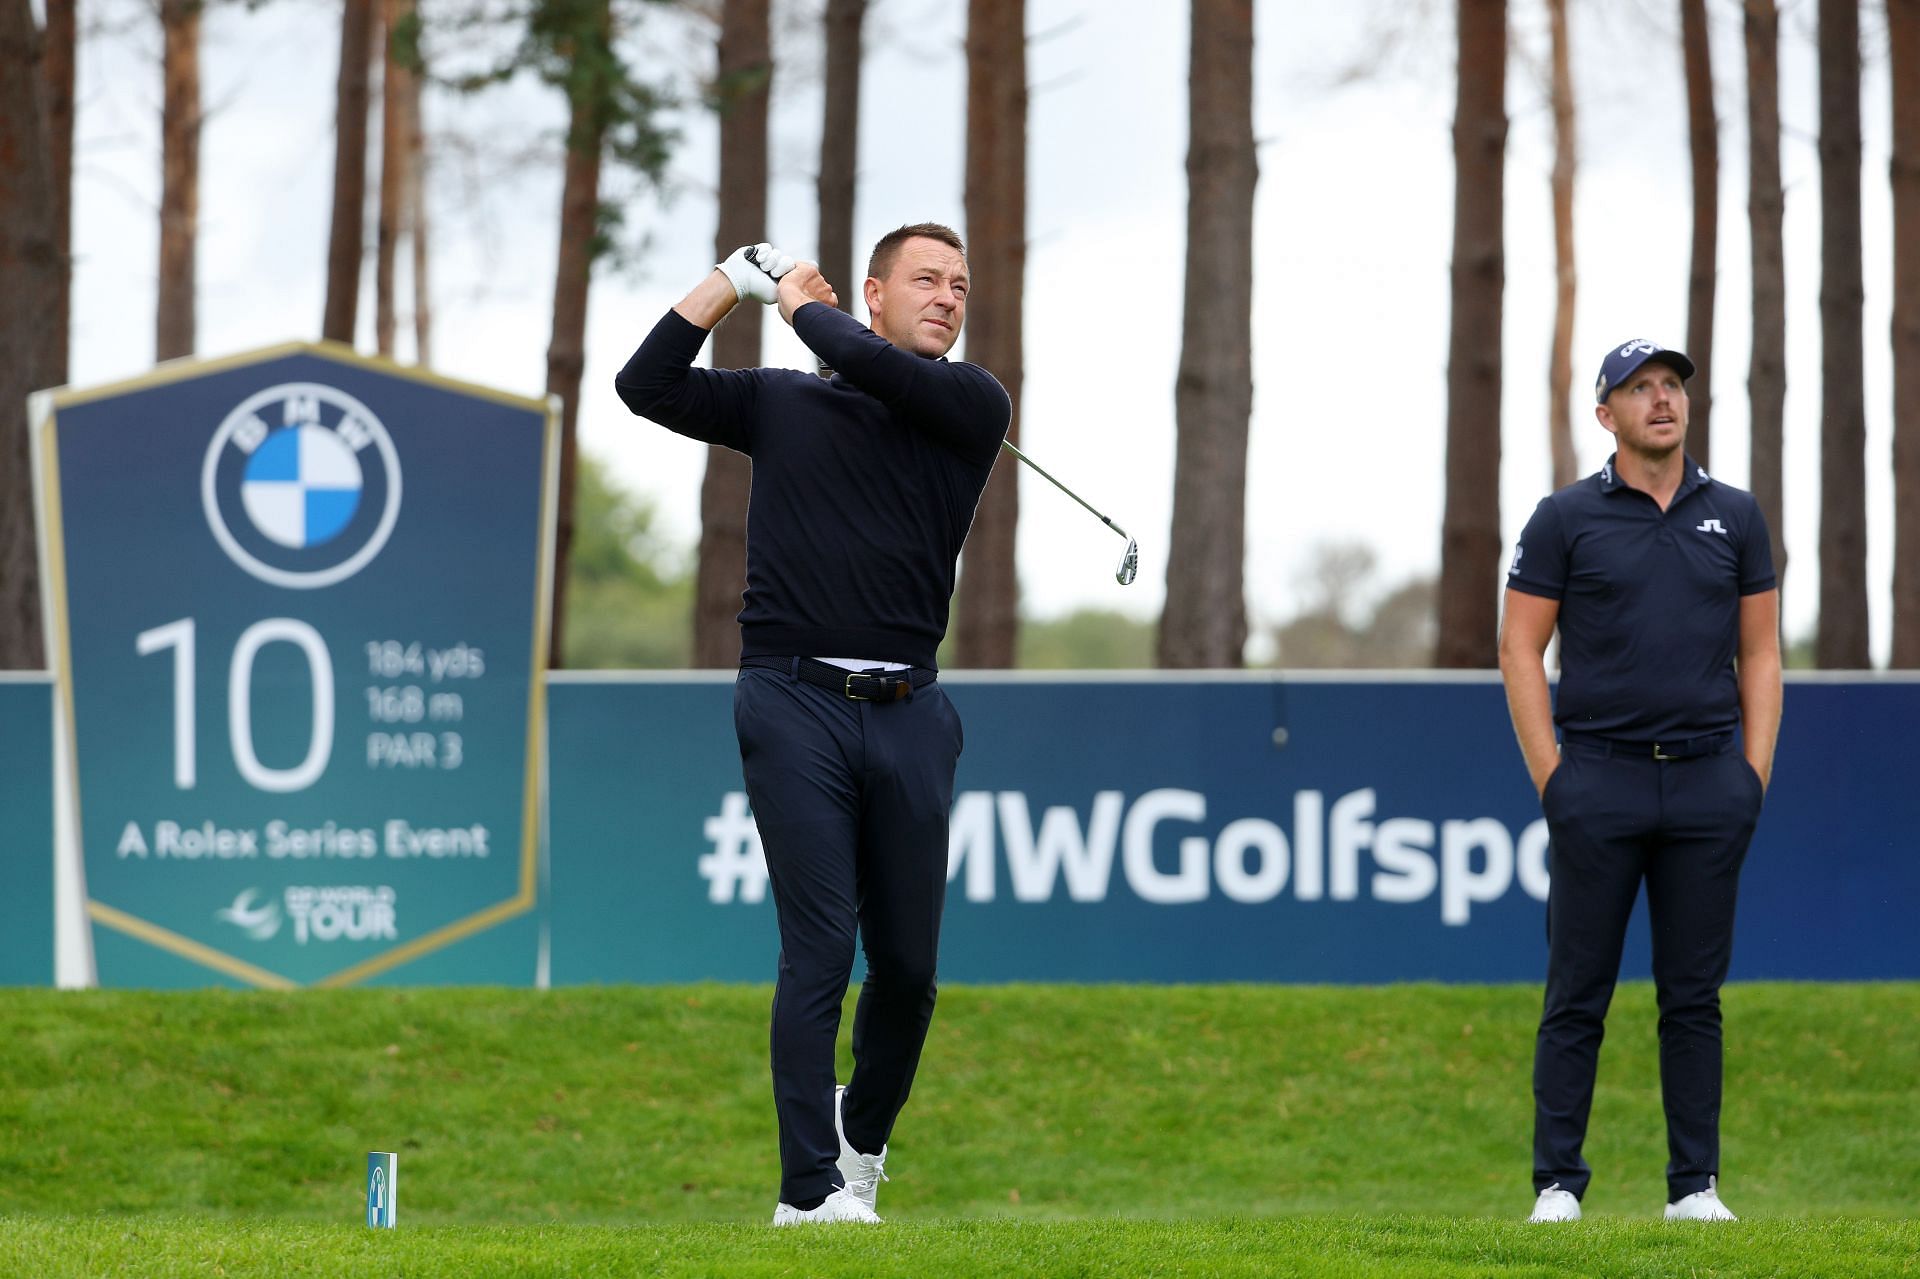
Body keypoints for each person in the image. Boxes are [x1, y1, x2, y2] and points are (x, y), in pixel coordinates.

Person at [614, 224, 1010, 1225]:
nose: (948, 296)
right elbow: (644, 384)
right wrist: (731, 285)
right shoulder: (782, 402)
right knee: (820, 948)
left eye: (960, 285)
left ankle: (861, 1145)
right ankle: (808, 1192)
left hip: (912, 710)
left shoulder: (970, 403)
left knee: (910, 969)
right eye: (926, 279)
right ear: (875, 291)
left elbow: (866, 363)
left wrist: (801, 306)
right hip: (791, 699)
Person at [1499, 338, 1782, 1225]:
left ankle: (1694, 1186)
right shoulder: (1564, 517)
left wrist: (1752, 778)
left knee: (1693, 998)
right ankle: (1557, 1186)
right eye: (1640, 388)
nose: (1662, 399)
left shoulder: (1734, 516)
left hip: (1707, 785)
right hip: (1599, 784)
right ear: (1605, 413)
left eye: (1672, 386)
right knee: (1577, 992)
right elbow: (1517, 646)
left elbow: (1763, 650)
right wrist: (1556, 782)